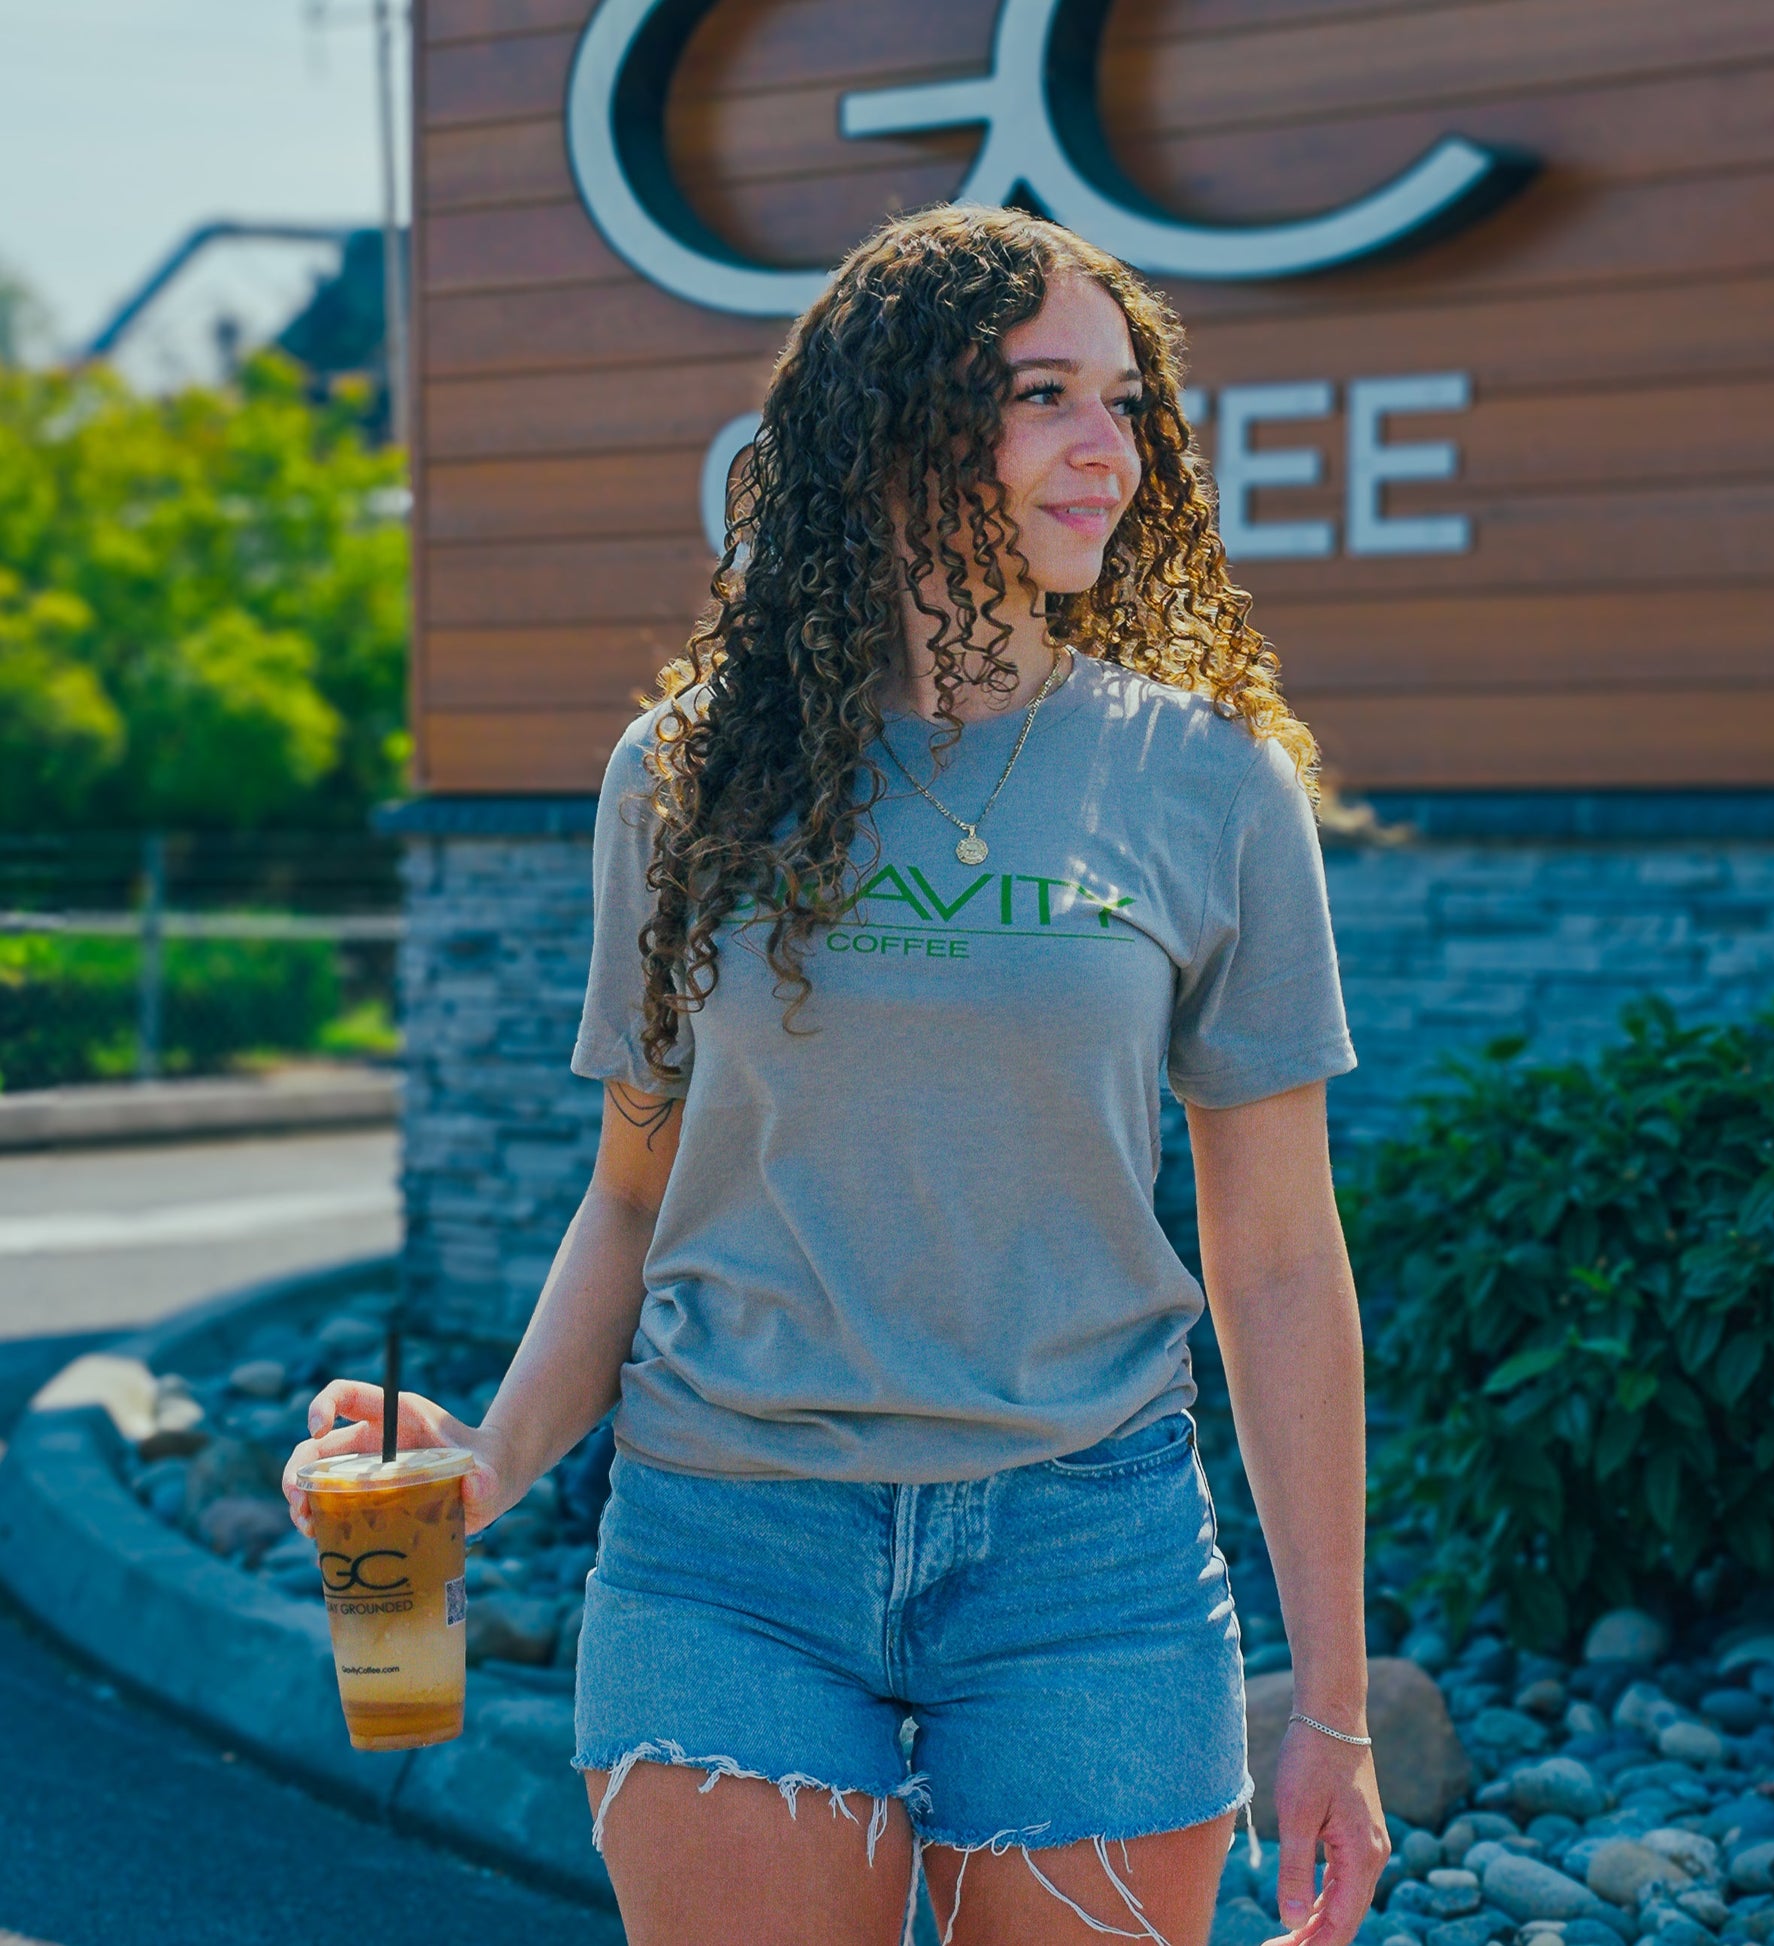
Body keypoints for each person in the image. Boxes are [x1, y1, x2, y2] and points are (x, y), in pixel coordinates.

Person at [284, 204, 1388, 1946]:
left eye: (1124, 401)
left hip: (1082, 1551)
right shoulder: (690, 774)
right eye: (1044, 397)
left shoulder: (1209, 784)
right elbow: (635, 1194)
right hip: (729, 1549)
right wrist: (488, 1458)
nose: (1106, 448)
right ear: (894, 429)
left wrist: (1329, 1694)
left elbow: (1275, 1257)